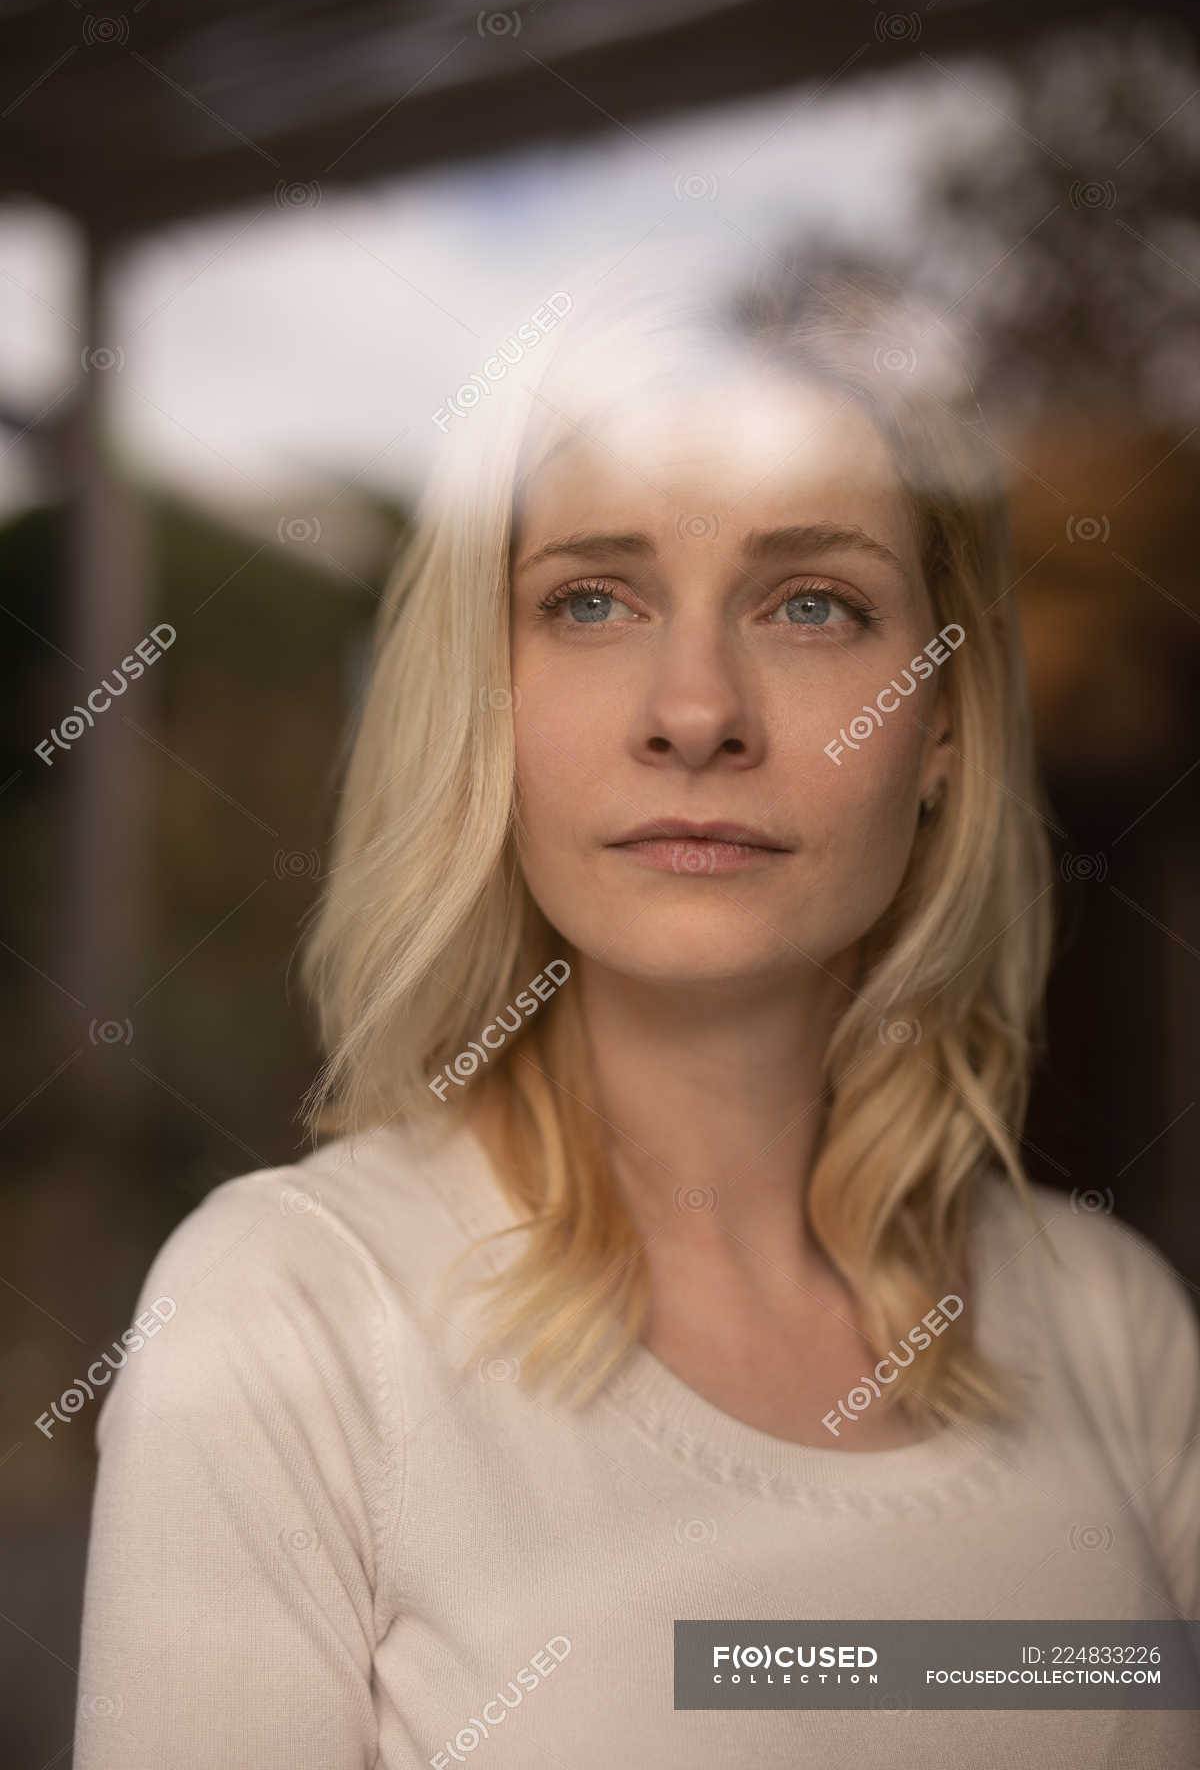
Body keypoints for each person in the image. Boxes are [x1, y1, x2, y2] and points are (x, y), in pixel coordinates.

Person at [74, 266, 1200, 1767]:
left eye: (814, 604)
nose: (694, 710)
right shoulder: (288, 1319)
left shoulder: (1119, 1328)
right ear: (487, 697)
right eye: (590, 599)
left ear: (941, 725)